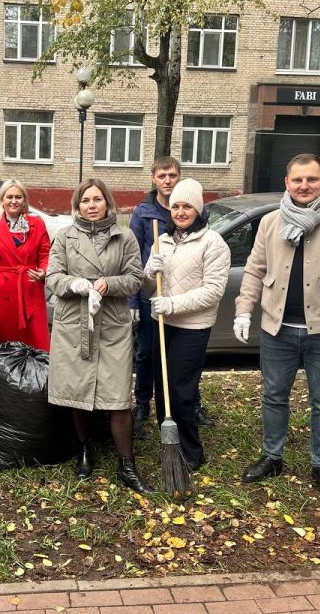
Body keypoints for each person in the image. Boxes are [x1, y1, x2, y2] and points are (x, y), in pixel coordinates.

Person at [233, 153, 320, 498]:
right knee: (274, 396)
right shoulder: (271, 222)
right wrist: (243, 310)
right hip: (277, 329)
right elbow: (254, 270)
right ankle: (272, 457)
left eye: (312, 179)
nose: (304, 185)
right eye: (297, 180)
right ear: (287, 183)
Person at [47, 178, 152, 494]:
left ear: (107, 202)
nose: (91, 205)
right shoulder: (64, 237)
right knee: (78, 391)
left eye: (97, 199)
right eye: (85, 200)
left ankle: (127, 464)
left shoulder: (125, 236)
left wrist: (109, 284)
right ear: (77, 206)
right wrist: (75, 285)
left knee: (119, 397)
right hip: (74, 324)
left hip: (112, 325)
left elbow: (135, 278)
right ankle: (84, 449)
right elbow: (53, 277)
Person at [142, 179, 230, 471]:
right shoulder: (163, 240)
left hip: (192, 328)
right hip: (162, 324)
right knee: (162, 389)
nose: (180, 212)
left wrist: (172, 304)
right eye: (176, 206)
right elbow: (147, 287)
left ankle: (191, 451)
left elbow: (213, 292)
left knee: (181, 392)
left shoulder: (212, 243)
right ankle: (169, 445)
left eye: (187, 206)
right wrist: (148, 272)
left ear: (198, 209)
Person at [127, 156, 181, 436]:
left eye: (172, 175)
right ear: (153, 179)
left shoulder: (187, 208)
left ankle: (187, 402)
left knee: (178, 353)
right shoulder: (144, 212)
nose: (167, 181)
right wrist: (133, 300)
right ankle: (142, 403)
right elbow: (133, 257)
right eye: (162, 176)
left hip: (180, 295)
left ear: (179, 176)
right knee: (146, 352)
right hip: (151, 294)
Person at [0, 179, 51, 365]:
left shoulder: (37, 224)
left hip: (30, 293)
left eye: (18, 197)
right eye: (9, 197)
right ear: (2, 200)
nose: (14, 201)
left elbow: (45, 254)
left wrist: (43, 272)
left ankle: (35, 381)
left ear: (24, 200)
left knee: (35, 344)